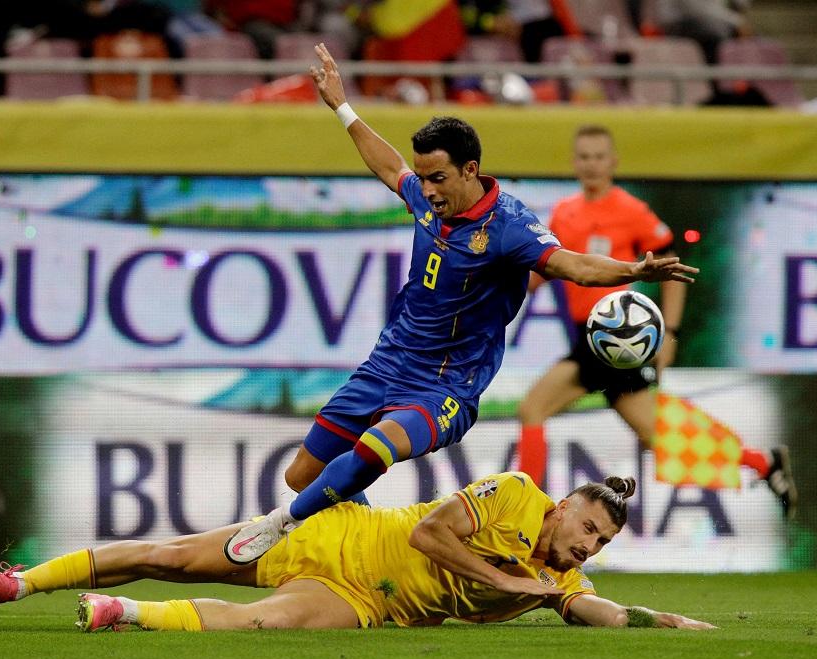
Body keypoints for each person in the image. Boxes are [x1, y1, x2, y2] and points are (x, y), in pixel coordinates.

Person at [222, 43, 699, 568]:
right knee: (303, 475)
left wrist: (633, 272)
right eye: (423, 178)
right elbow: (389, 166)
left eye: (438, 178)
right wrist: (342, 107)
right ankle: (368, 545)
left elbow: (572, 265)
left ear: (470, 170)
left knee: (376, 447)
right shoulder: (429, 200)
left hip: (446, 384)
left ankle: (280, 523)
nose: (426, 190)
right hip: (387, 363)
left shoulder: (509, 227)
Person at [0, 472, 716, 631]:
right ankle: (16, 584)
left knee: (261, 625)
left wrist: (667, 624)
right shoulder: (516, 494)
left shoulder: (562, 578)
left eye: (601, 541)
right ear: (565, 505)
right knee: (171, 555)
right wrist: (511, 583)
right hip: (338, 533)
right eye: (588, 527)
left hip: (362, 601)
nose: (587, 544)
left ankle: (117, 612)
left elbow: (596, 610)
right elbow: (430, 533)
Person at [514, 124, 796, 517]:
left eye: (599, 157)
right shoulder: (564, 212)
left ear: (613, 162)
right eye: (585, 157)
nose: (592, 164)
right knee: (657, 437)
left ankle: (523, 512)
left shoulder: (631, 211)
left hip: (618, 337)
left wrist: (670, 333)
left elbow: (671, 267)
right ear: (574, 163)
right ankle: (763, 463)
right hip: (589, 339)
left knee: (534, 409)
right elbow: (546, 271)